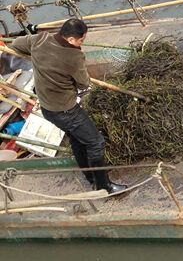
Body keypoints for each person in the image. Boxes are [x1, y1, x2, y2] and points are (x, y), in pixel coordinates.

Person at [10, 19, 127, 195]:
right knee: (96, 143)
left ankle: (91, 178)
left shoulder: (40, 39)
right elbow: (83, 83)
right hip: (66, 110)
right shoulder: (74, 56)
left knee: (77, 140)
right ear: (71, 39)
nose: (81, 44)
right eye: (81, 41)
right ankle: (105, 187)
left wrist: (37, 57)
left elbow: (17, 44)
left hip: (48, 109)